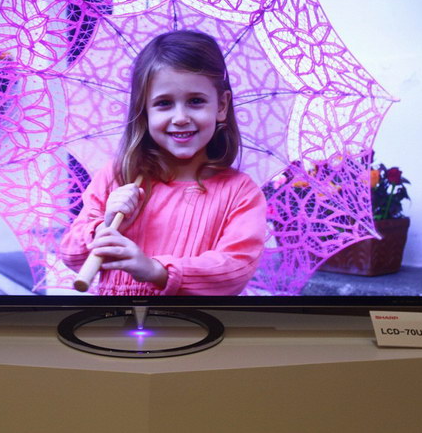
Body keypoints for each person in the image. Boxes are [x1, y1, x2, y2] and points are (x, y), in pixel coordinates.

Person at [59, 30, 267, 295]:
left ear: (221, 106)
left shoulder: (240, 193)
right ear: (144, 110)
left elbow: (234, 271)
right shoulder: (119, 176)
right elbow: (71, 255)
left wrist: (155, 270)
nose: (180, 118)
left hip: (188, 319)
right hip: (116, 317)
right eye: (164, 103)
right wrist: (105, 226)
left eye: (195, 101)